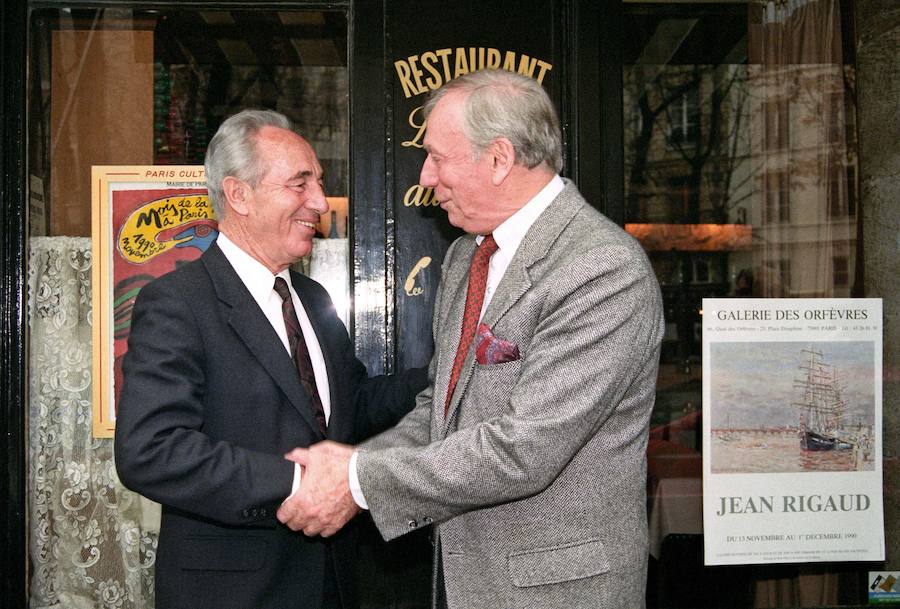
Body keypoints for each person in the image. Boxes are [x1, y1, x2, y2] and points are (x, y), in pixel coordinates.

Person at [277, 69, 665, 609]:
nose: (426, 176)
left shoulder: (601, 268)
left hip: (556, 591)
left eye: (437, 156)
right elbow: (441, 410)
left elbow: (524, 448)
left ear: (500, 158)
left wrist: (358, 480)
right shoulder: (467, 257)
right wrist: (355, 464)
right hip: (463, 582)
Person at [114, 109, 427, 609]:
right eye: (300, 184)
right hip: (234, 591)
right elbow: (151, 450)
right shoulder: (179, 301)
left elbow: (354, 406)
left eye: (319, 184)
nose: (320, 203)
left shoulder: (313, 297)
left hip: (336, 582)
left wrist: (447, 374)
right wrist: (298, 483)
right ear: (238, 194)